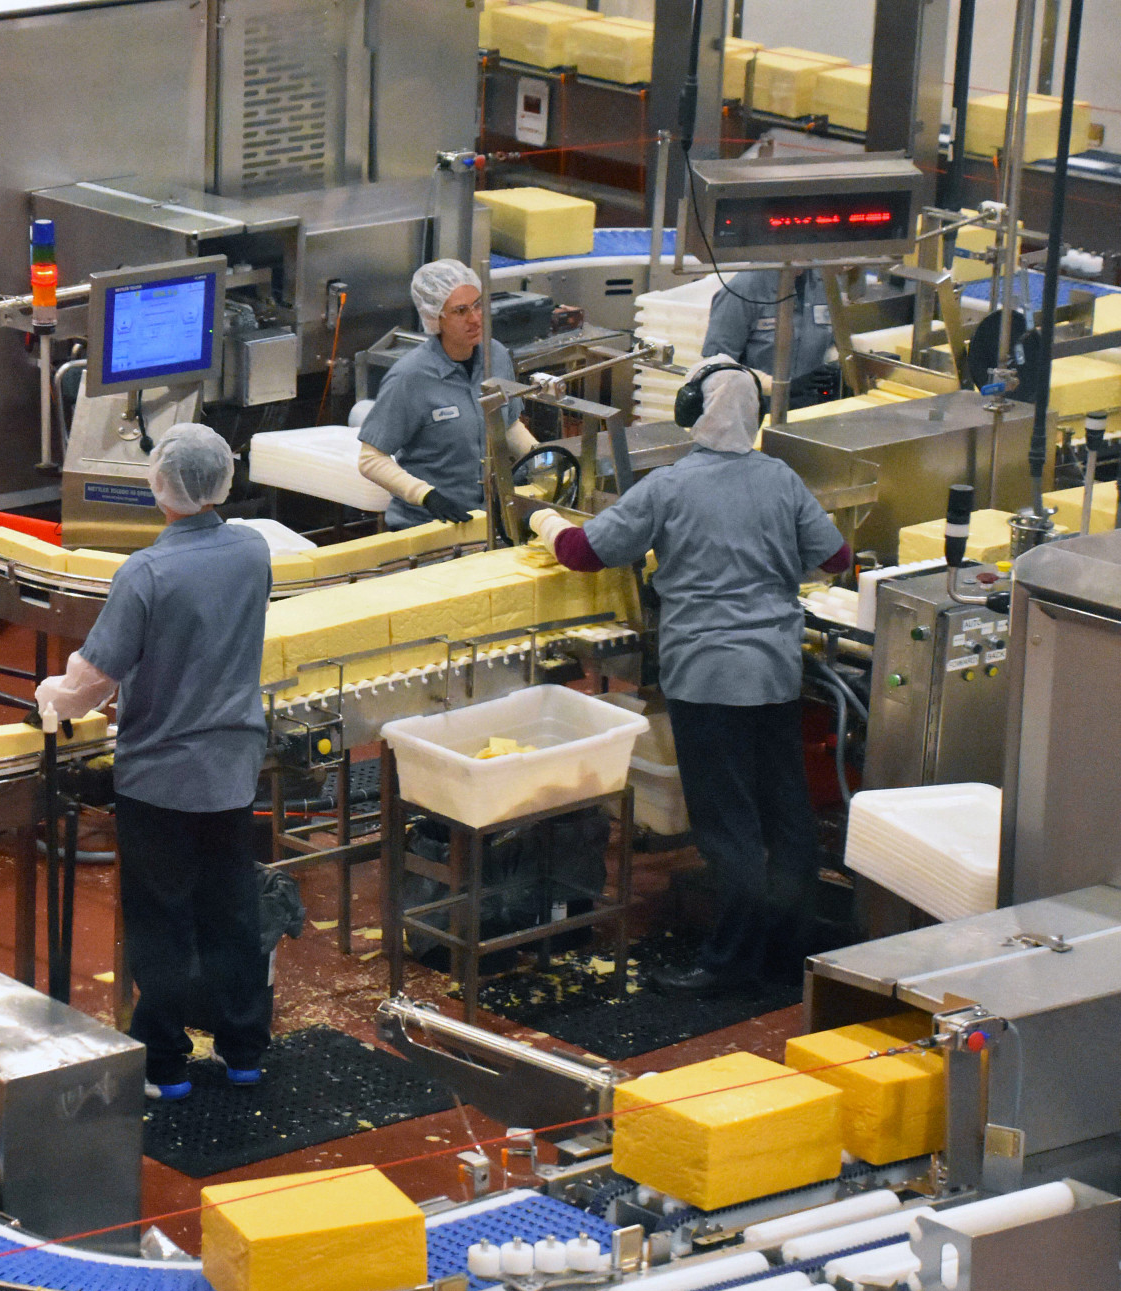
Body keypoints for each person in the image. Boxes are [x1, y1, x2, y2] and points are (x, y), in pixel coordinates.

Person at [529, 357, 853, 996]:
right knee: (786, 815)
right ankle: (787, 956)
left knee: (728, 824)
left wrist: (541, 518)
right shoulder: (781, 478)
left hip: (707, 678)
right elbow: (837, 557)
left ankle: (729, 963)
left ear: (691, 414)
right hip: (776, 671)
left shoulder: (669, 487)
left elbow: (582, 553)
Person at [35, 424, 272, 1100]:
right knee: (233, 912)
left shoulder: (145, 572)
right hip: (233, 768)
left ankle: (165, 1067)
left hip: (160, 778)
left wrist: (52, 696)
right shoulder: (252, 550)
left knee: (162, 922)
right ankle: (245, 1051)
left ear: (160, 485)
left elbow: (93, 680)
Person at [358, 259, 536, 529]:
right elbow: (371, 460)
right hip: (428, 525)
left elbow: (508, 425)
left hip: (486, 519)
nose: (475, 318)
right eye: (460, 311)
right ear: (435, 317)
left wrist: (545, 461)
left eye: (478, 305)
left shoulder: (496, 356)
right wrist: (426, 495)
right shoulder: (411, 377)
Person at [702, 268, 840, 410]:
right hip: (754, 410)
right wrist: (779, 387)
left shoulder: (826, 281)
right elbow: (717, 366)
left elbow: (837, 341)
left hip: (811, 409)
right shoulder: (742, 289)